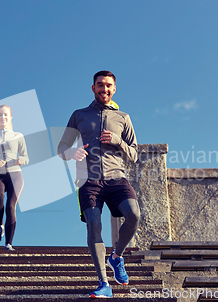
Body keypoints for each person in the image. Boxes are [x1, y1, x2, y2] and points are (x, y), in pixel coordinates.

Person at [58, 71, 140, 298]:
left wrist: (117, 141)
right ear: (93, 88)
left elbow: (134, 154)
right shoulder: (79, 115)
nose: (104, 89)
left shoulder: (123, 117)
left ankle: (116, 257)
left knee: (133, 215)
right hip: (89, 180)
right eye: (100, 85)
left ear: (114, 89)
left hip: (117, 178)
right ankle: (104, 283)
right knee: (94, 224)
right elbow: (61, 148)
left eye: (109, 86)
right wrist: (71, 152)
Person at [0, 105, 29, 251]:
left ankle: (8, 243)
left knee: (11, 206)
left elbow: (26, 156)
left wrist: (21, 160)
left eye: (5, 115)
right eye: (0, 115)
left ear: (10, 117)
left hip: (15, 174)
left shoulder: (18, 136)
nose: (3, 117)